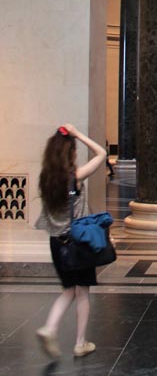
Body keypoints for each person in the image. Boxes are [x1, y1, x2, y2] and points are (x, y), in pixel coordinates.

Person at [34, 123, 107, 360]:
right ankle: (80, 342)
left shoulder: (45, 180)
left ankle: (50, 327)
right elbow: (102, 154)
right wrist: (77, 134)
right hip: (77, 243)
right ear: (71, 152)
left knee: (68, 290)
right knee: (82, 293)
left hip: (57, 244)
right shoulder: (75, 177)